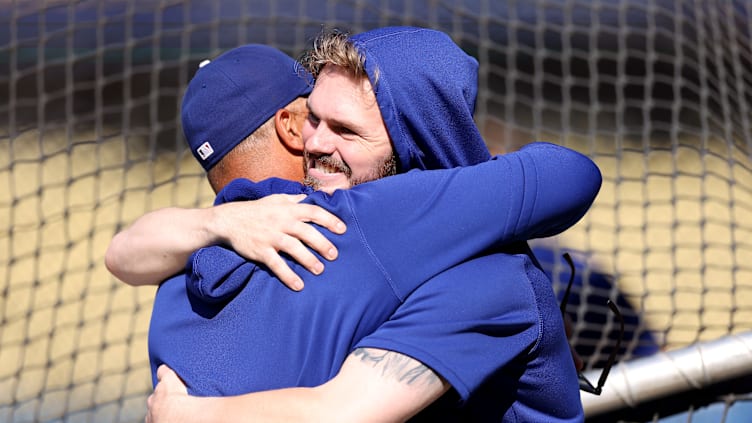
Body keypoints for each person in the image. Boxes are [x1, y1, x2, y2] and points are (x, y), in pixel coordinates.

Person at [109, 28, 600, 422]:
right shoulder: (342, 230)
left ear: (414, 138)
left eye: (343, 129)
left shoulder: (183, 279)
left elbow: (123, 254)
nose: (313, 144)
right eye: (314, 121)